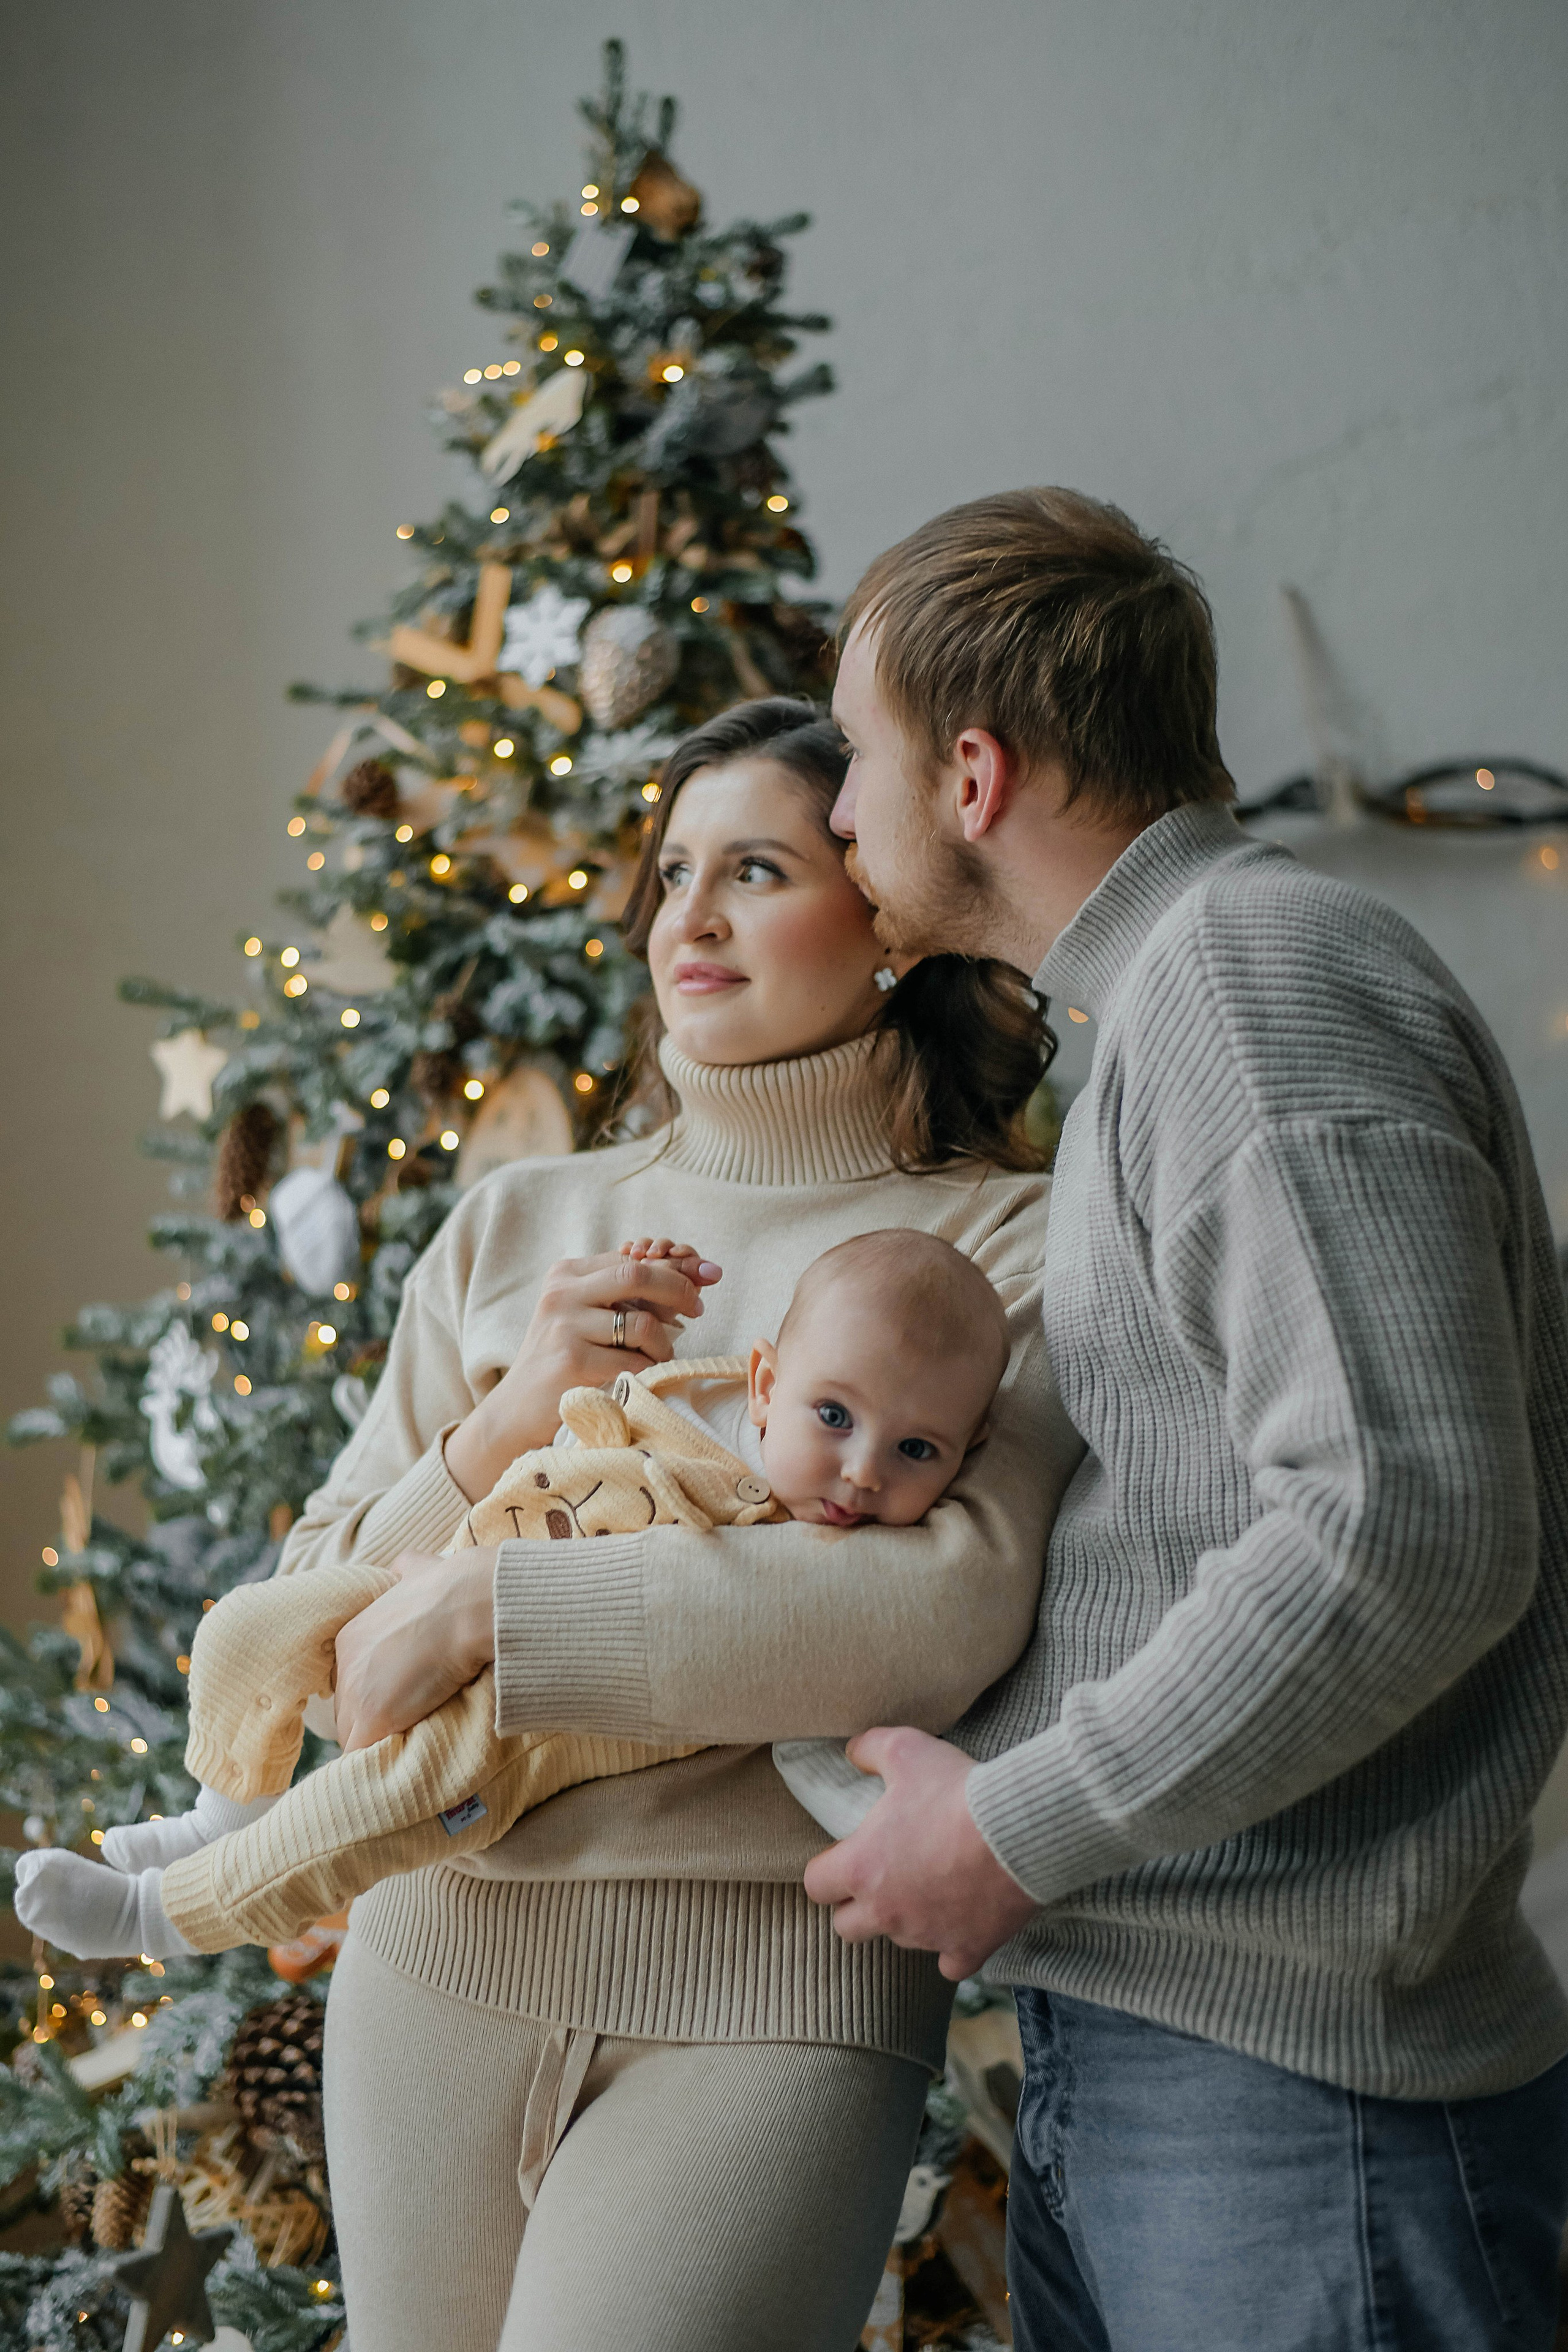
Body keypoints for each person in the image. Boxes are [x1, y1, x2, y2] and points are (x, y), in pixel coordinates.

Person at [807, 486, 1568, 2351]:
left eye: (854, 758)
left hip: (1305, 2121)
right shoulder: (1170, 1003)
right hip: (1172, 2072)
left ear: (972, 774)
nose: (835, 815)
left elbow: (1408, 1522)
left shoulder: (1250, 984)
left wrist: (1013, 1827)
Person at [257, 697, 1084, 2352]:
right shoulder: (523, 1220)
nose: (686, 920)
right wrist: (505, 1417)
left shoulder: (1014, 1244)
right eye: (672, 872)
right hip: (435, 1965)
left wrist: (498, 1607)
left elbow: (935, 1616)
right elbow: (319, 1613)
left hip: (780, 1996)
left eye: (757, 869)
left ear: (887, 919)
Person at [14, 1229, 1009, 1962]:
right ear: (764, 1384)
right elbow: (591, 1417)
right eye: (833, 1415)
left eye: (919, 1450)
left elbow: (827, 1710)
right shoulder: (698, 1394)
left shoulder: (828, 1559)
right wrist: (509, 1427)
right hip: (443, 1562)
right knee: (246, 1626)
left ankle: (160, 1917)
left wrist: (895, 1833)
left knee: (366, 1811)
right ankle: (218, 1816)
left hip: (533, 1723)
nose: (863, 1473)